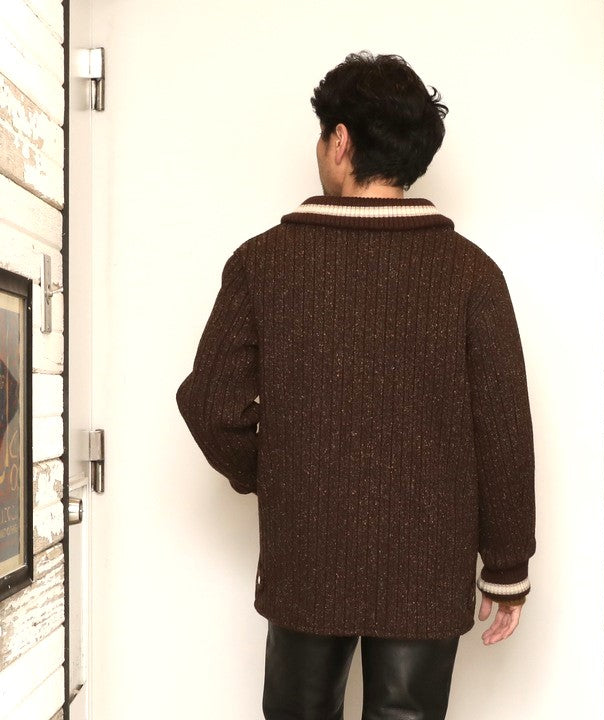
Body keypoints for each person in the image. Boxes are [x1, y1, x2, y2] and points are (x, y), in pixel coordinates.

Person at [176, 51, 536, 720]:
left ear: (340, 141)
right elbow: (504, 432)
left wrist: (277, 472)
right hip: (428, 560)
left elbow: (210, 404)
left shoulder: (263, 263)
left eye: (323, 137)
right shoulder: (473, 274)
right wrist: (507, 567)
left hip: (307, 551)